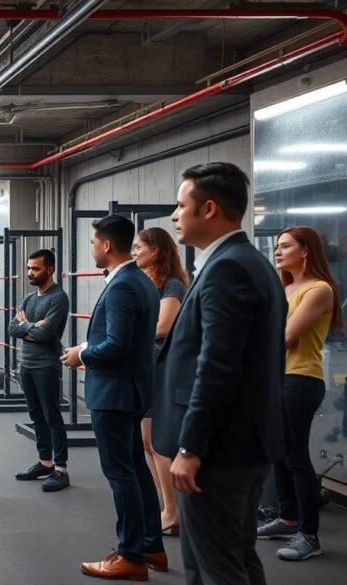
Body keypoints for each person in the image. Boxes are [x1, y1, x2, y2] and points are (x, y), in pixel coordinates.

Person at [154, 162, 285, 585]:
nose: (174, 215)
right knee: (234, 558)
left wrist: (191, 448)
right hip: (238, 444)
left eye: (181, 205)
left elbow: (218, 368)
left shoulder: (229, 267)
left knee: (217, 568)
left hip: (218, 451)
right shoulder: (246, 262)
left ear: (208, 208)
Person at [61, 215, 165, 581]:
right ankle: (151, 546)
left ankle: (131, 554)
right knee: (135, 467)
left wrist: (82, 354)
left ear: (106, 245)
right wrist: (88, 347)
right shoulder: (140, 280)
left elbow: (117, 345)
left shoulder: (123, 285)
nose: (91, 248)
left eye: (93, 242)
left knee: (120, 473)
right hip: (129, 390)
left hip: (114, 393)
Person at [257, 226, 342, 561]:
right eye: (277, 246)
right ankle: (288, 518)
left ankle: (309, 535)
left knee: (295, 456)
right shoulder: (285, 287)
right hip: (275, 378)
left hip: (300, 379)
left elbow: (285, 337)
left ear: (305, 250)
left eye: (286, 246)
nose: (277, 251)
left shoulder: (319, 289)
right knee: (277, 453)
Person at [131, 227, 188, 535]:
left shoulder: (172, 284)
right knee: (147, 442)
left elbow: (163, 327)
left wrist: (126, 334)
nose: (133, 253)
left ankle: (172, 511)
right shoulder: (148, 282)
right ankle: (166, 507)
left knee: (157, 443)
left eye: (138, 247)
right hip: (147, 366)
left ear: (155, 250)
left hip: (162, 369)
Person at [9, 249, 70, 492]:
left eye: (35, 268)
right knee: (36, 415)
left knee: (51, 415)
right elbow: (12, 329)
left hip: (47, 365)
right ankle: (45, 462)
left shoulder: (59, 297)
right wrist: (32, 325)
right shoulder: (28, 298)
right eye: (28, 268)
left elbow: (46, 335)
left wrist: (25, 326)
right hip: (26, 364)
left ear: (50, 269)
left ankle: (61, 469)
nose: (30, 273)